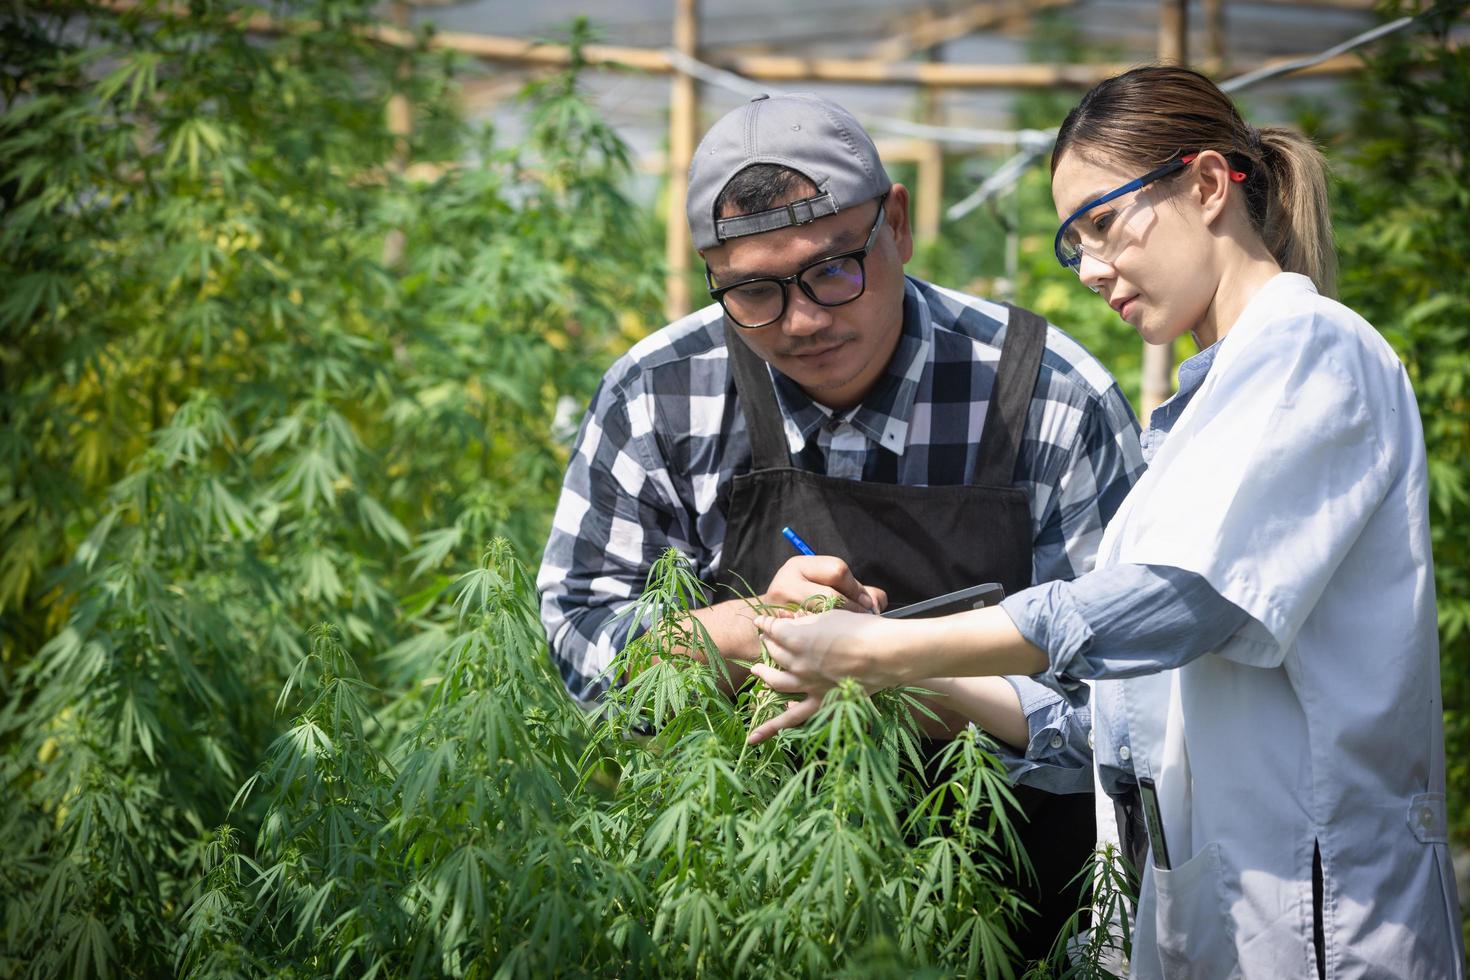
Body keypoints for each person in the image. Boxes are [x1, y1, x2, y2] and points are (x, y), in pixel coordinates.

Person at [747, 66, 1465, 979]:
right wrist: (890, 671)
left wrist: (880, 652)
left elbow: (1173, 606)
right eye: (1070, 241)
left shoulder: (1314, 350)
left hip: (1319, 925)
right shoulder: (1207, 406)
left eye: (1103, 223)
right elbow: (1107, 719)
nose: (1088, 268)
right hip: (1222, 919)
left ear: (1207, 186)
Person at [537, 92, 1145, 960]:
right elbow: (581, 648)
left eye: (832, 269)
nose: (803, 320)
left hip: (1013, 927)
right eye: (752, 290)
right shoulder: (661, 395)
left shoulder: (1046, 398)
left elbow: (1135, 701)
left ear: (896, 223)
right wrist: (748, 631)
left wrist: (891, 674)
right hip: (747, 921)